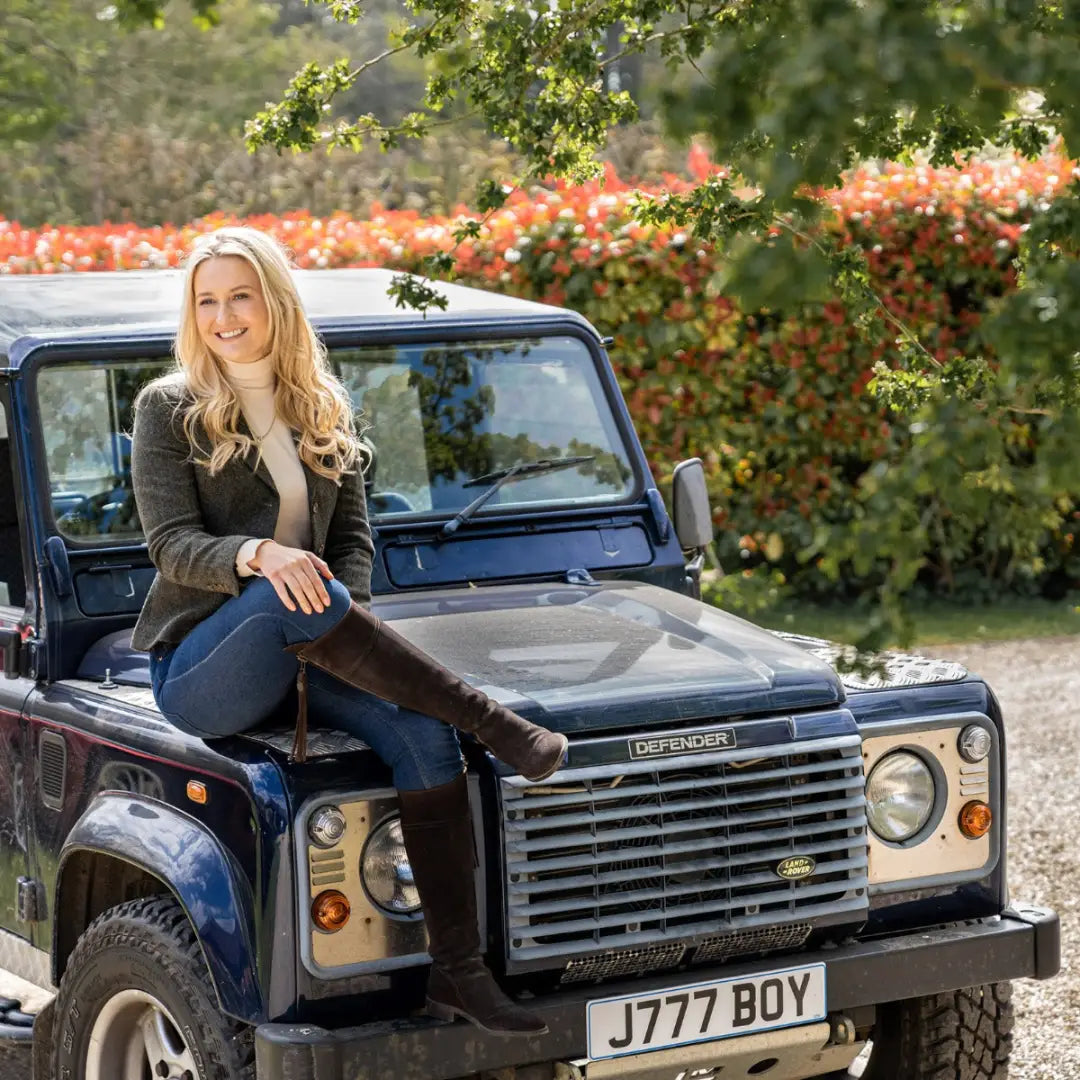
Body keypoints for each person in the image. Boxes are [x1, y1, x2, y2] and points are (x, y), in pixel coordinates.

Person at [130, 226, 567, 1037]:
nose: (225, 316)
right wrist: (260, 554)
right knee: (294, 586)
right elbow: (170, 547)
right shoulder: (170, 409)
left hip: (308, 639)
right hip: (203, 666)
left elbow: (355, 544)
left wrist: (338, 614)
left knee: (427, 740)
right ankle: (497, 720)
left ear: (273, 301)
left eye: (240, 295)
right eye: (208, 300)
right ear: (195, 314)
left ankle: (458, 976)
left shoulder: (321, 405)